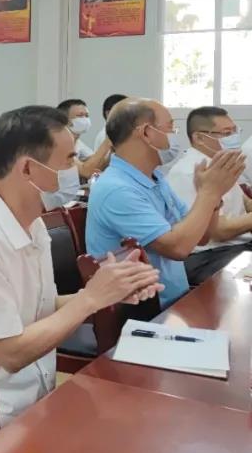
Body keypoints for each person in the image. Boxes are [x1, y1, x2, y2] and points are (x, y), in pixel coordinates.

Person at [0, 105, 160, 425]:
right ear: (28, 169)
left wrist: (110, 292)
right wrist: (89, 299)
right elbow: (11, 354)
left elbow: (43, 305)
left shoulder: (34, 224)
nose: (77, 170)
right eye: (68, 160)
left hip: (39, 394)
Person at [86, 99, 243, 309]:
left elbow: (203, 236)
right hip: (144, 310)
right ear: (146, 133)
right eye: (170, 128)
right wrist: (208, 193)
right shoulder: (117, 189)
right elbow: (178, 248)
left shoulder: (155, 179)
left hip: (175, 297)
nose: (174, 136)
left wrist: (213, 196)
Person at [166, 107, 252, 285]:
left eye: (235, 131)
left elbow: (243, 202)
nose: (233, 137)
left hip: (235, 246)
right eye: (226, 133)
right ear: (199, 138)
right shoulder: (190, 171)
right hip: (209, 255)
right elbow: (219, 231)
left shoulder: (219, 163)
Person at [57, 98, 109, 178]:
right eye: (80, 116)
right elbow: (87, 172)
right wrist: (108, 141)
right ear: (65, 120)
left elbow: (96, 163)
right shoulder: (59, 144)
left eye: (87, 116)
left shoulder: (78, 143)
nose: (85, 119)